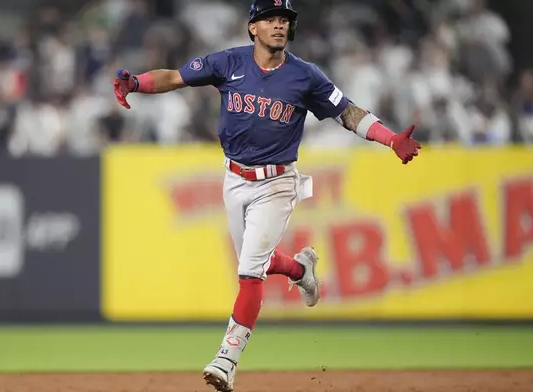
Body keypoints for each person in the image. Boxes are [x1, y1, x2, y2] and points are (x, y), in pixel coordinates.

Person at [113, 1, 421, 391]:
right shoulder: (228, 63)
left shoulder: (305, 76)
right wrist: (136, 83)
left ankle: (227, 359)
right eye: (270, 19)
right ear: (252, 28)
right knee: (252, 260)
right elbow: (174, 76)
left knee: (248, 272)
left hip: (277, 183)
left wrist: (391, 138)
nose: (278, 26)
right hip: (234, 178)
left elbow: (348, 112)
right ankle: (299, 270)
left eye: (284, 20)